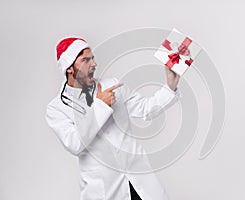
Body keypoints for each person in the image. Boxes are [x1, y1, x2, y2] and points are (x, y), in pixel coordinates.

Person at [45, 37, 181, 200]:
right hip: (105, 191)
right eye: (85, 60)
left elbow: (146, 110)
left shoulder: (113, 85)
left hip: (140, 182)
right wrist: (101, 106)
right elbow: (74, 144)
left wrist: (170, 87)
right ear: (69, 68)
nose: (93, 64)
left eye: (93, 58)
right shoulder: (57, 108)